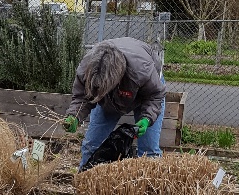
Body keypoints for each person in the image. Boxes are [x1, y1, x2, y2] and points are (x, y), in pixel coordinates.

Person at [63, 37, 166, 170]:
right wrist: (74, 115)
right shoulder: (86, 69)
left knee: (149, 151)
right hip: (109, 100)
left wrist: (147, 118)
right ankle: (85, 183)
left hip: (146, 94)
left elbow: (155, 96)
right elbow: (82, 96)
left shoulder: (141, 70)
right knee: (92, 145)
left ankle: (149, 188)